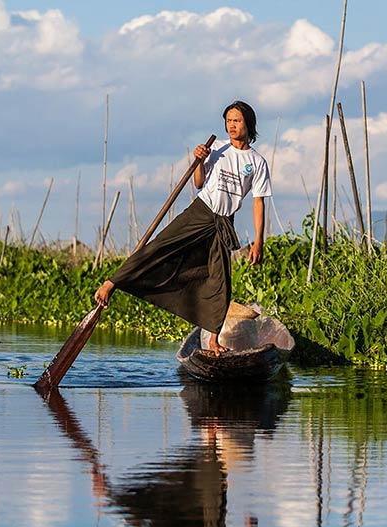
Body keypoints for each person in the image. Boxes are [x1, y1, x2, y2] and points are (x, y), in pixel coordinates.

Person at [93, 100, 272, 355]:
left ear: (249, 124)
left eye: (237, 121)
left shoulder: (257, 162)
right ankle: (111, 283)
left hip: (224, 222)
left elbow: (258, 202)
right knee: (159, 247)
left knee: (221, 281)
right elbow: (199, 183)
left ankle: (213, 340)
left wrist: (258, 241)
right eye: (228, 121)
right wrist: (199, 161)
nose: (232, 126)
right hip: (201, 212)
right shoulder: (217, 148)